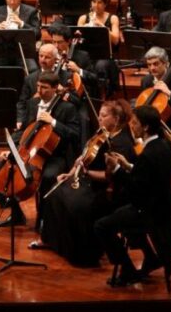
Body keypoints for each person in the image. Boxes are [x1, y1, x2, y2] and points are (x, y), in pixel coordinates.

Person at [38, 99, 136, 266]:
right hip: (88, 179)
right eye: (99, 114)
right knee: (54, 192)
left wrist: (86, 173)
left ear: (116, 119)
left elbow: (109, 177)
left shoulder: (122, 143)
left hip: (106, 189)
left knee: (75, 206)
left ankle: (82, 254)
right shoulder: (103, 133)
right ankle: (53, 242)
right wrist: (69, 174)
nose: (99, 118)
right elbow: (84, 157)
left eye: (104, 116)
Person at [94, 105, 171, 287]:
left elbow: (135, 190)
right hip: (162, 207)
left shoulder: (148, 153)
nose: (132, 126)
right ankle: (151, 258)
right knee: (120, 213)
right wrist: (128, 165)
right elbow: (148, 176)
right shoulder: (162, 145)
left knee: (102, 226)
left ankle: (128, 270)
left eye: (135, 123)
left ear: (145, 127)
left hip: (148, 211)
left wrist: (116, 168)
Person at [0, 72, 79, 231]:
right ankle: (16, 214)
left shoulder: (67, 108)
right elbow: (25, 130)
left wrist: (53, 122)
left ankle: (44, 220)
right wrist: (13, 149)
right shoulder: (33, 103)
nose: (39, 91)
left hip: (55, 155)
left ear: (55, 88)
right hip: (30, 153)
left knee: (49, 177)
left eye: (44, 87)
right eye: (38, 86)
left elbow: (74, 134)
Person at [77, 0, 121, 93]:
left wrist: (102, 27)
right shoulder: (83, 18)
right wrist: (83, 30)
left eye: (99, 2)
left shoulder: (113, 18)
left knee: (100, 66)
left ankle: (101, 94)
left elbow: (115, 40)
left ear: (105, 4)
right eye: (94, 2)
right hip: (87, 55)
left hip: (105, 56)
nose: (96, 5)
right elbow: (77, 40)